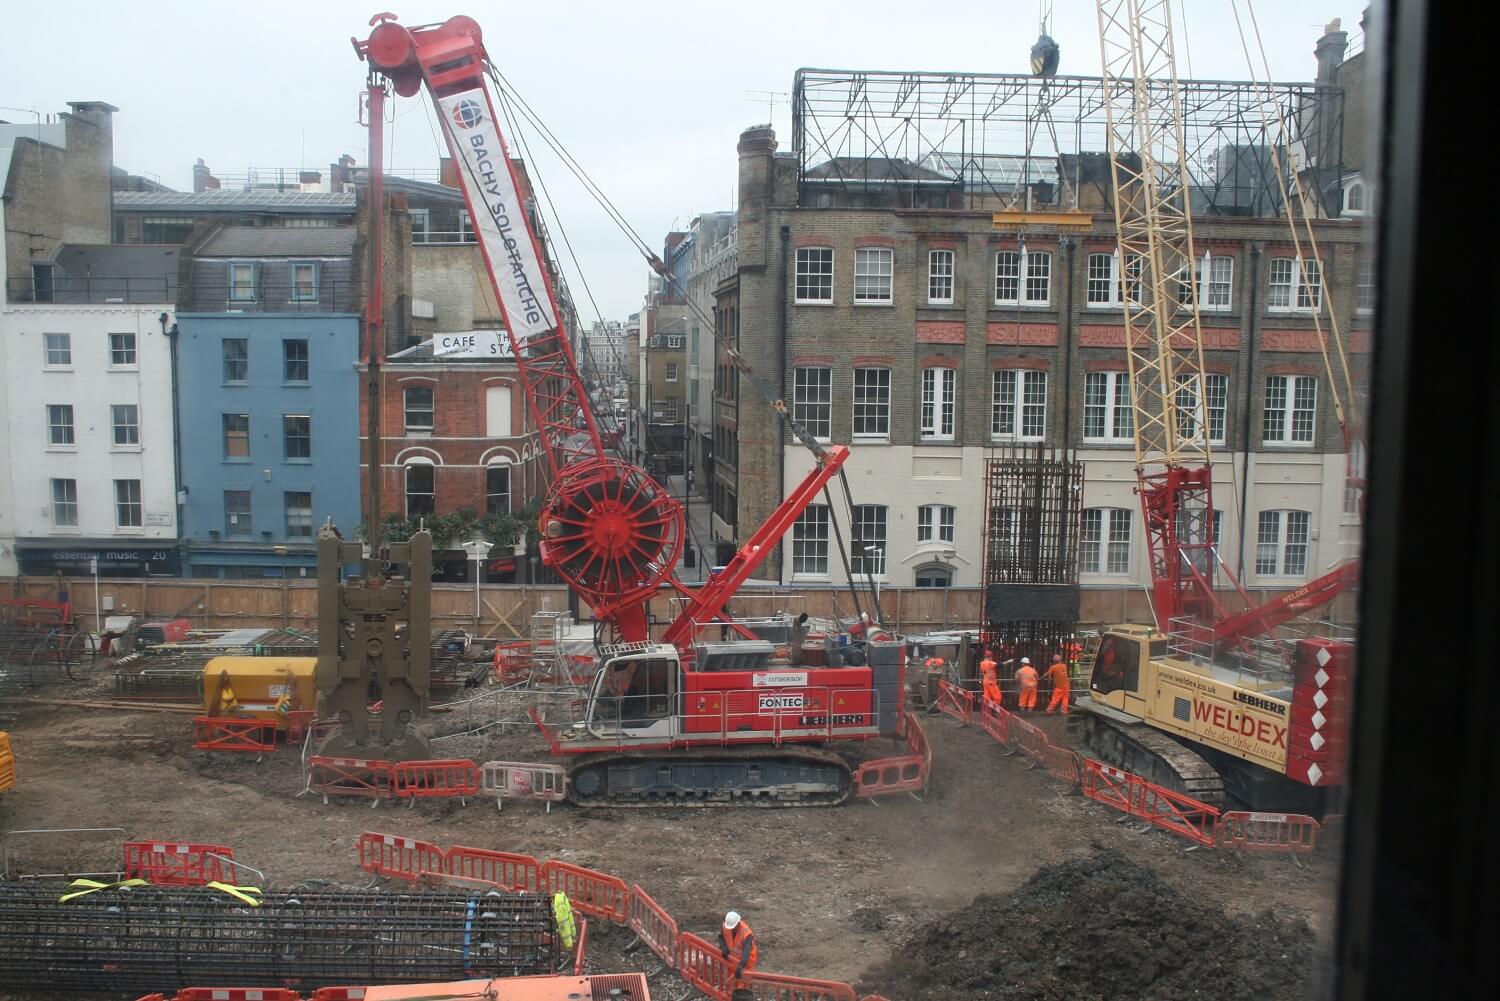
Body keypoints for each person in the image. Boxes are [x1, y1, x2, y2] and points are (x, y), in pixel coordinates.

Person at [719, 910, 758, 986]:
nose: (731, 929)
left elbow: (747, 950)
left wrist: (741, 966)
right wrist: (723, 947)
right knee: (732, 980)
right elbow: (721, 937)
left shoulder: (746, 932)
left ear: (738, 923)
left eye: (733, 927)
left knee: (744, 982)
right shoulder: (726, 926)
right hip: (733, 959)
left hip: (747, 961)